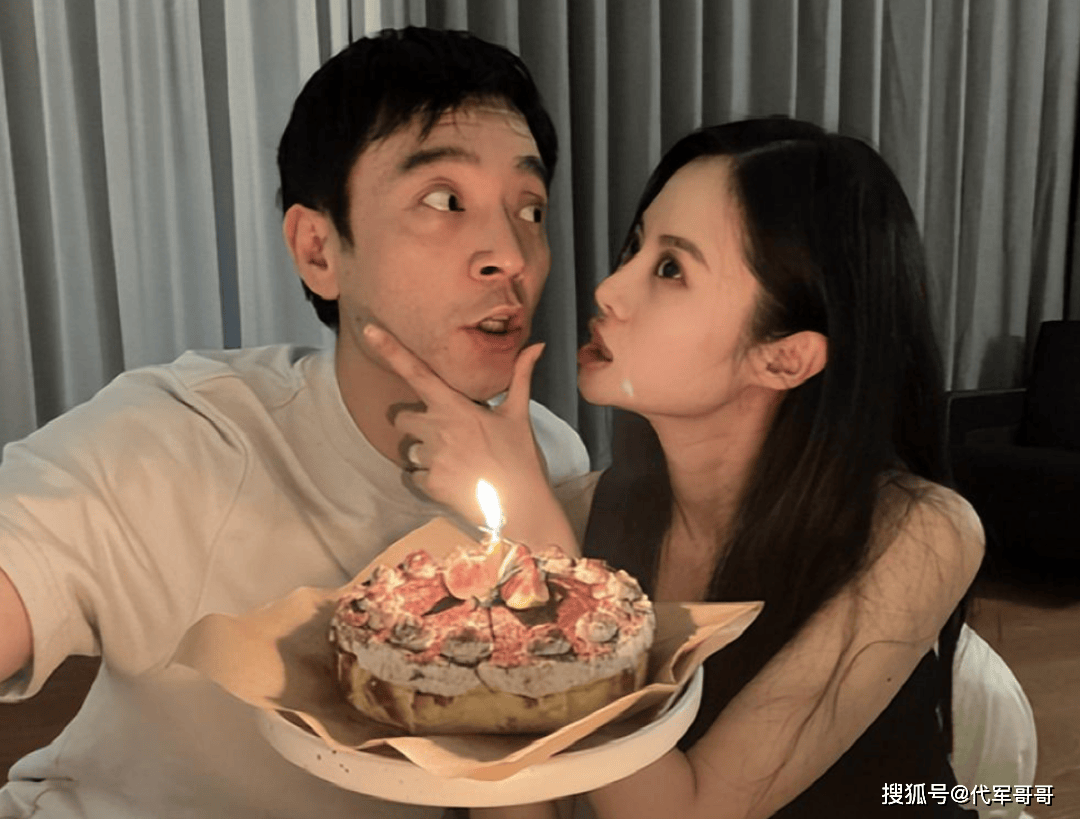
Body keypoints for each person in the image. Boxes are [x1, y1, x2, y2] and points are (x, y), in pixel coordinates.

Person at [0, 27, 589, 819]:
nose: (510, 255)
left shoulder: (548, 463)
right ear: (319, 250)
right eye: (444, 200)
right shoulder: (187, 435)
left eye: (530, 208)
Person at [364, 117, 1017, 818]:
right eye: (636, 246)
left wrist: (541, 554)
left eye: (671, 269)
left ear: (783, 358)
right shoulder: (584, 518)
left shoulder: (920, 532)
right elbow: (519, 787)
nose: (610, 289)